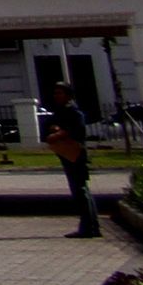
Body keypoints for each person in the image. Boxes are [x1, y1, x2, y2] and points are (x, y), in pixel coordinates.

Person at [47, 91, 101, 238]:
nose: (56, 96)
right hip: (68, 154)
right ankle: (91, 226)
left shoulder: (74, 112)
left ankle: (89, 227)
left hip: (76, 154)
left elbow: (77, 131)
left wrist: (58, 134)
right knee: (80, 190)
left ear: (68, 95)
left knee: (81, 190)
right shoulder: (62, 111)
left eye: (60, 93)